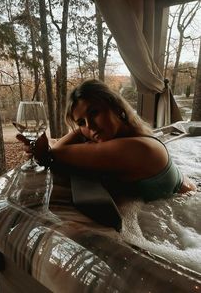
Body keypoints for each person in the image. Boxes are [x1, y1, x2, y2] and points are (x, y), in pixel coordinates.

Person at [17, 79, 196, 204]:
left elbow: (55, 153)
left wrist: (44, 150)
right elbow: (58, 152)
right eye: (81, 123)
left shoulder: (139, 148)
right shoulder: (127, 138)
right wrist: (85, 127)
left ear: (116, 107)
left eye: (94, 112)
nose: (91, 126)